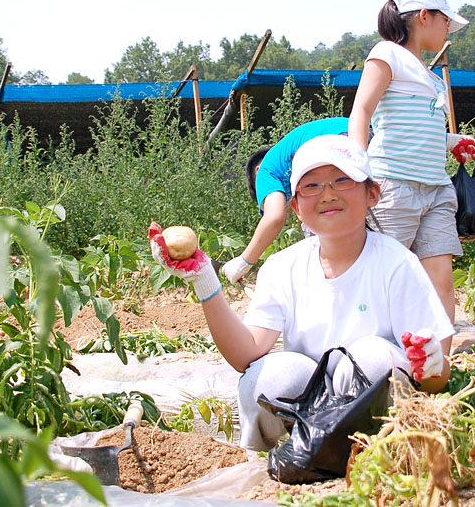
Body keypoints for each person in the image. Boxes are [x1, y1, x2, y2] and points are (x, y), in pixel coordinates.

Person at [150, 134, 454, 451]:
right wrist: (204, 279)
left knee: (377, 360)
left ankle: (370, 456)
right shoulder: (283, 267)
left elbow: (437, 377)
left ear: (372, 194)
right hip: (307, 417)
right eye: (312, 186)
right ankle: (265, 461)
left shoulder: (398, 264)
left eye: (342, 179)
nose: (327, 194)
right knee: (267, 377)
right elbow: (246, 355)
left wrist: (430, 363)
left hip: (376, 424)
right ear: (295, 207)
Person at [348, 0, 475, 338]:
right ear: (424, 17)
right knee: (384, 277)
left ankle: (439, 367)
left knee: (441, 279)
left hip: (436, 189)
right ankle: (374, 361)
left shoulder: (428, 74)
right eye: (445, 22)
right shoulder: (387, 54)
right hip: (394, 184)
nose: (447, 31)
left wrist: (452, 141)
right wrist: (358, 169)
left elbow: (417, 127)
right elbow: (362, 111)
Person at [221, 117, 349, 285]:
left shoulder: (266, 169)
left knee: (320, 250)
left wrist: (244, 262)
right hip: (367, 134)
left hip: (342, 142)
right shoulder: (289, 157)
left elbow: (274, 217)